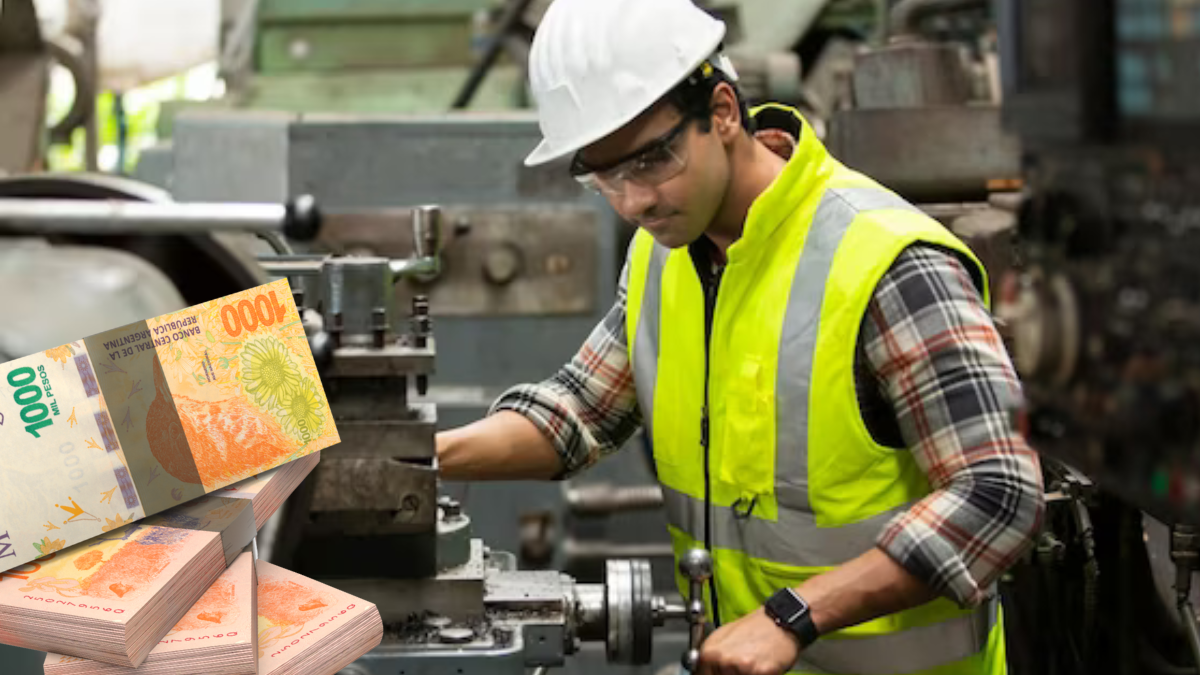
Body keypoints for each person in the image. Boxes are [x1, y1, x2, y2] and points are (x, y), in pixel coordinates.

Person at [436, 1, 1044, 673]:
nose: (633, 201)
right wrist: (418, 459)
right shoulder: (663, 255)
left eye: (651, 160)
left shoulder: (886, 262)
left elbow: (1000, 492)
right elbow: (580, 411)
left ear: (723, 111)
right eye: (604, 175)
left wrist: (796, 615)